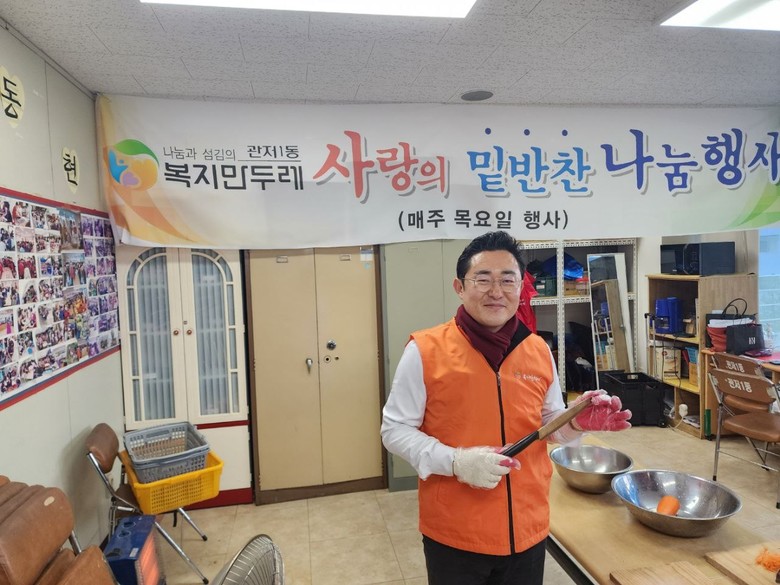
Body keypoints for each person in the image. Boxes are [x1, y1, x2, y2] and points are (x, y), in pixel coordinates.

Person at [380, 231, 632, 585]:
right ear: (459, 287)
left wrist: (576, 422)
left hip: (528, 527)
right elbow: (394, 430)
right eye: (482, 279)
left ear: (521, 287)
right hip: (455, 533)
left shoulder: (538, 349)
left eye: (507, 280)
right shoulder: (424, 350)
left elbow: (546, 424)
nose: (496, 291)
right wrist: (455, 461)